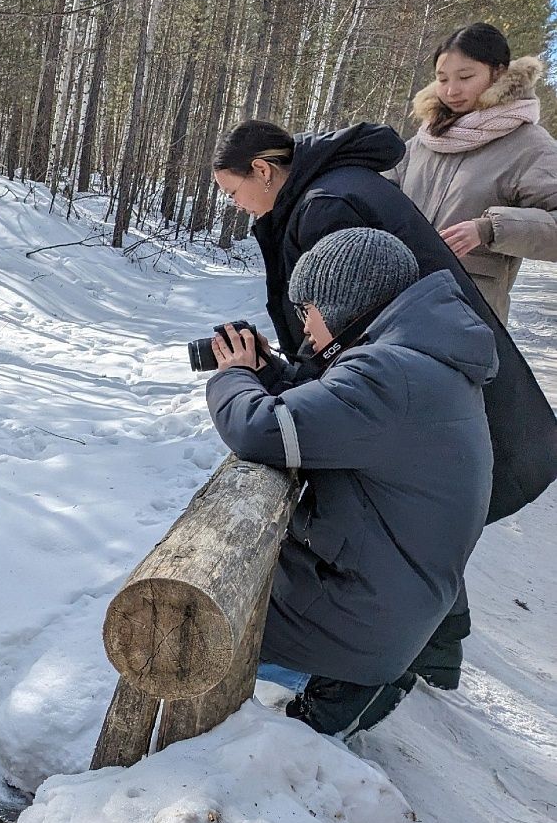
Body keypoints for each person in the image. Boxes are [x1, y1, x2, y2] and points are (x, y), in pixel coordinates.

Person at [209, 117, 557, 690]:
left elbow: (333, 313)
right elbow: (339, 326)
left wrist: (252, 379)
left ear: (264, 171)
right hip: (442, 378)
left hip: (411, 397)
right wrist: (289, 370)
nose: (239, 207)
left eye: (233, 192)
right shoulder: (342, 183)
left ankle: (389, 667)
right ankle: (435, 654)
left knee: (392, 513)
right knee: (421, 518)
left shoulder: (325, 207)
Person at [207, 229, 496, 735]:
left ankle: (333, 697)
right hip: (396, 590)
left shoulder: (390, 372)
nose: (304, 327)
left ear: (344, 304)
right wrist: (272, 374)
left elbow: (260, 430)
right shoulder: (424, 357)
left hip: (368, 617)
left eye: (309, 310)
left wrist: (233, 375)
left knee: (206, 616)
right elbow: (335, 416)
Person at [388, 23, 557, 323]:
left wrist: (489, 229)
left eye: (465, 77)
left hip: (466, 316)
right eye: (442, 79)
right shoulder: (425, 140)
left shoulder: (529, 144)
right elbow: (381, 197)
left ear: (499, 73)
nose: (451, 90)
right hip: (395, 302)